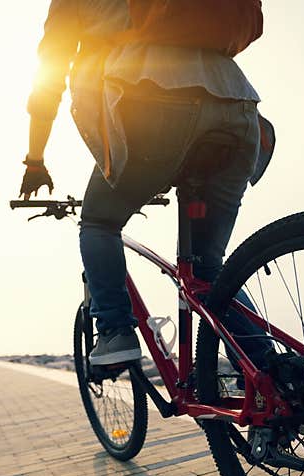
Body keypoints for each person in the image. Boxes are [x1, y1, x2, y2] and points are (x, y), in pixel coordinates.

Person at [19, 0, 273, 366]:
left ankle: (115, 331)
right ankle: (277, 381)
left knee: (98, 222)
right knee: (207, 270)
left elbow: (49, 76)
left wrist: (35, 160)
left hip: (152, 101)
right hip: (239, 109)